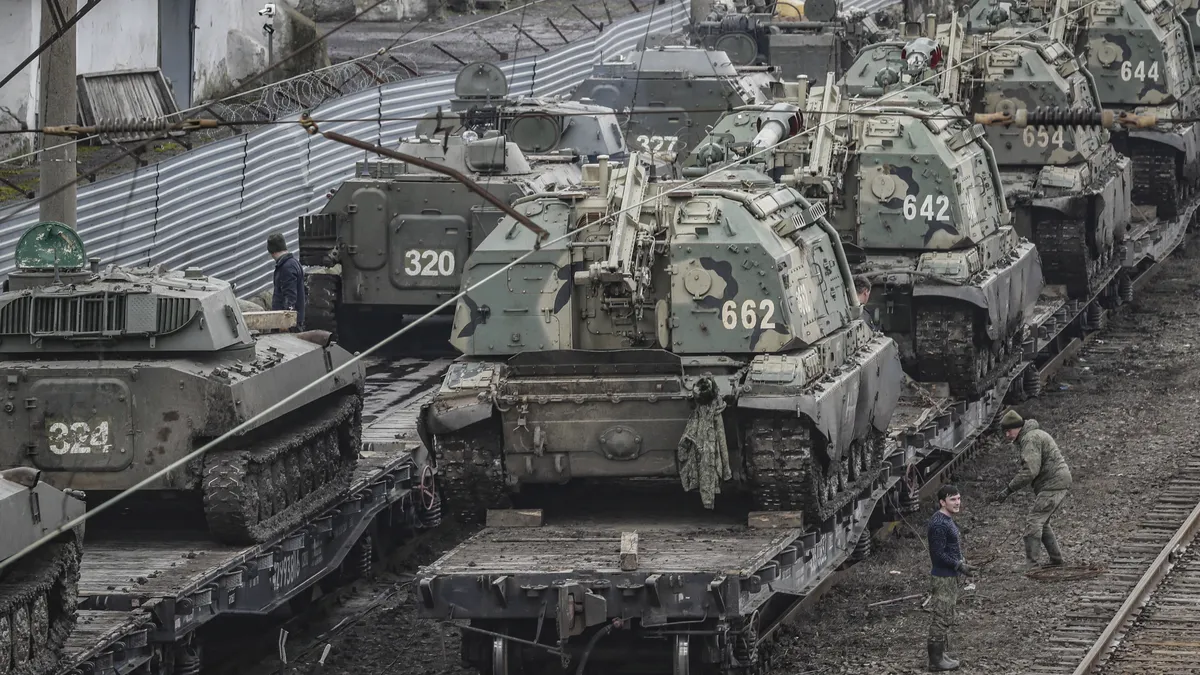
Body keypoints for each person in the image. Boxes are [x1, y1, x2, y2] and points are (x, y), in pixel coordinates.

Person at [994, 409, 1071, 569]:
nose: (1007, 435)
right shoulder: (1033, 435)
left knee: (1034, 521)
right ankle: (1056, 560)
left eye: (1009, 431)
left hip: (1053, 483)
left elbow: (1030, 471)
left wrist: (1009, 489)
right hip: (1058, 480)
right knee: (1042, 522)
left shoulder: (1030, 439)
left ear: (1018, 427)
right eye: (1005, 432)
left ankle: (1032, 565)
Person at [927, 484, 974, 671]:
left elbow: (950, 549)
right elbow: (938, 555)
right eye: (952, 499)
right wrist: (959, 565)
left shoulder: (946, 519)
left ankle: (940, 654)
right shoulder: (939, 524)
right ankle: (935, 660)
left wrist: (960, 562)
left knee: (947, 615)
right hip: (943, 577)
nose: (957, 502)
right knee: (941, 617)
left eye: (959, 498)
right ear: (942, 502)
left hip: (949, 575)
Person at [267, 233, 305, 332]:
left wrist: (286, 322)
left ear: (272, 252)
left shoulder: (286, 267)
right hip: (292, 320)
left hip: (287, 323)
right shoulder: (293, 263)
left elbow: (290, 296)